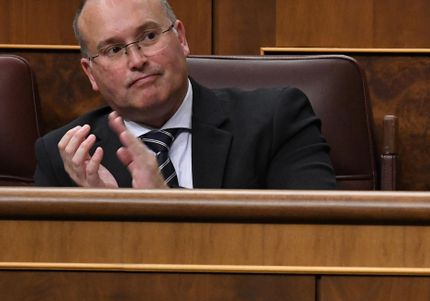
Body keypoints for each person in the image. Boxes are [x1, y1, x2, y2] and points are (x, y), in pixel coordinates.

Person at [35, 0, 336, 189]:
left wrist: (164, 206)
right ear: (91, 73)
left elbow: (313, 242)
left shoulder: (275, 120)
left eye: (149, 36)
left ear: (181, 38)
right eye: (114, 50)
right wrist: (105, 214)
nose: (137, 60)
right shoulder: (67, 158)